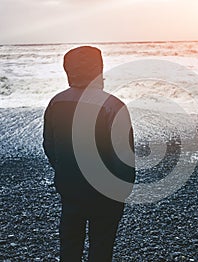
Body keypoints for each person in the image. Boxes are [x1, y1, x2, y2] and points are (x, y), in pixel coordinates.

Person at [43, 46, 135, 261]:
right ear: (99, 70)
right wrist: (123, 189)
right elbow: (123, 154)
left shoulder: (56, 103)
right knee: (101, 245)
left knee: (70, 242)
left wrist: (65, 170)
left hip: (70, 186)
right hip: (105, 191)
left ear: (68, 71)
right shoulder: (113, 105)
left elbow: (50, 146)